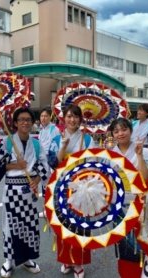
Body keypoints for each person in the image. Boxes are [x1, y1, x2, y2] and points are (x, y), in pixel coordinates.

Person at [0, 107, 50, 278]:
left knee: (29, 226)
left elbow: (43, 166)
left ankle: (26, 259)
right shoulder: (6, 142)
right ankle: (9, 260)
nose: (25, 122)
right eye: (21, 119)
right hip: (12, 190)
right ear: (16, 123)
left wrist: (37, 180)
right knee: (10, 227)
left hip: (30, 190)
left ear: (32, 123)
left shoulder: (36, 143)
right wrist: (14, 165)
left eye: (28, 119)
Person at [48, 104, 96, 278]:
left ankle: (79, 263)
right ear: (64, 118)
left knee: (80, 226)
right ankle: (66, 260)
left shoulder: (88, 140)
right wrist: (63, 147)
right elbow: (53, 164)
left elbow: (95, 164)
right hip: (62, 187)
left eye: (76, 117)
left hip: (82, 188)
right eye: (69, 116)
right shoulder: (56, 138)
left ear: (80, 120)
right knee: (63, 226)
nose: (72, 120)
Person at [108, 118, 148, 278]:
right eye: (116, 131)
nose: (120, 133)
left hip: (141, 204)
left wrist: (139, 156)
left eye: (123, 129)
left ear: (131, 130)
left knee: (143, 243)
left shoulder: (144, 151)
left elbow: (145, 179)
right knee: (125, 245)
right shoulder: (110, 153)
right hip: (120, 205)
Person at [38, 108, 60, 217]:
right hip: (42, 161)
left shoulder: (54, 129)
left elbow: (56, 147)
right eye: (42, 116)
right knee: (44, 186)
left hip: (50, 161)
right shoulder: (41, 131)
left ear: (50, 117)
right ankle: (46, 209)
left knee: (52, 185)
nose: (43, 118)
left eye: (46, 116)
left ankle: (54, 210)